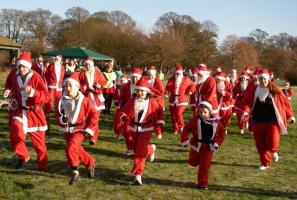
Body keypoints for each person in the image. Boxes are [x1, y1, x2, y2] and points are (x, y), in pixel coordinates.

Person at [3, 51, 50, 171]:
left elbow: (46, 96)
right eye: (20, 66)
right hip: (19, 110)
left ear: (28, 66)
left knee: (39, 144)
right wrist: (8, 89)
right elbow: (9, 82)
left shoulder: (36, 77)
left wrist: (33, 93)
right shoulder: (14, 73)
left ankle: (42, 165)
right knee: (15, 134)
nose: (21, 69)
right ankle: (23, 156)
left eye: (24, 66)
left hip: (35, 113)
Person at [240, 68, 295, 170]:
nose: (263, 81)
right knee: (260, 145)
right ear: (258, 79)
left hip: (272, 121)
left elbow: (285, 103)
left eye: (264, 79)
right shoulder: (254, 89)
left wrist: (290, 116)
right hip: (257, 121)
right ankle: (265, 163)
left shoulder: (274, 89)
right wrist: (245, 111)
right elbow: (247, 101)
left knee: (272, 142)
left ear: (268, 79)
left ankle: (273, 151)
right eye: (260, 79)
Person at [119, 77, 165, 185]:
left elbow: (160, 113)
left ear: (147, 92)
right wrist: (124, 117)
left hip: (146, 129)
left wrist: (159, 128)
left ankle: (138, 175)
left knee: (139, 152)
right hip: (133, 129)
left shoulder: (152, 102)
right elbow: (122, 112)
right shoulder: (131, 101)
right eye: (138, 90)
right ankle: (151, 149)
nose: (140, 93)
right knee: (137, 150)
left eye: (143, 91)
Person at [57, 72, 97, 184]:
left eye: (70, 85)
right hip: (67, 129)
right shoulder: (61, 100)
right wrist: (61, 120)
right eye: (65, 86)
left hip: (80, 129)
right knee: (76, 149)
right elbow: (58, 114)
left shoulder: (84, 100)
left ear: (77, 86)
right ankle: (90, 163)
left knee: (70, 148)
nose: (67, 88)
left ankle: (75, 172)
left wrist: (89, 128)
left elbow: (94, 114)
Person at [180, 101, 225, 190]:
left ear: (209, 112)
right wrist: (184, 139)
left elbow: (221, 133)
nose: (202, 114)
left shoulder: (216, 122)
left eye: (205, 112)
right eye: (200, 112)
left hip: (208, 148)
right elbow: (186, 128)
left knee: (204, 166)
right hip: (196, 145)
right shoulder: (195, 120)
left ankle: (203, 183)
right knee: (192, 162)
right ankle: (196, 161)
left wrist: (217, 143)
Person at [79, 57, 107, 144]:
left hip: (97, 97)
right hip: (87, 98)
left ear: (92, 65)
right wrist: (81, 87)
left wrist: (100, 85)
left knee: (96, 118)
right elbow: (78, 84)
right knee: (89, 117)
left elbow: (104, 82)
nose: (87, 66)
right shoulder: (81, 74)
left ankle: (93, 138)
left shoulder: (98, 73)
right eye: (86, 65)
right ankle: (91, 133)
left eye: (89, 65)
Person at [118, 67, 143, 155]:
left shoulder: (143, 86)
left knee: (137, 133)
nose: (135, 79)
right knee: (127, 130)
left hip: (140, 112)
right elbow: (121, 97)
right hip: (128, 112)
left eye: (137, 77)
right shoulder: (125, 86)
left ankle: (141, 148)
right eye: (133, 77)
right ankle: (129, 148)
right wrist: (120, 102)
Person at [165, 65, 196, 135]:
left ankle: (182, 127)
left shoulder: (186, 79)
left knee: (178, 113)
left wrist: (190, 91)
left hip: (182, 99)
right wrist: (166, 92)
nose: (177, 75)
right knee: (173, 115)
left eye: (179, 73)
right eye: (176, 73)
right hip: (172, 99)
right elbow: (168, 86)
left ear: (181, 73)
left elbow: (192, 85)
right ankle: (175, 129)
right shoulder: (172, 79)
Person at [147, 66, 164, 139]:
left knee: (158, 117)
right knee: (152, 117)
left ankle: (159, 131)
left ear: (154, 75)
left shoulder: (158, 81)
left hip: (158, 101)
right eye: (149, 75)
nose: (150, 76)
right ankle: (155, 131)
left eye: (151, 75)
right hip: (149, 101)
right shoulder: (146, 80)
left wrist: (151, 89)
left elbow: (161, 92)